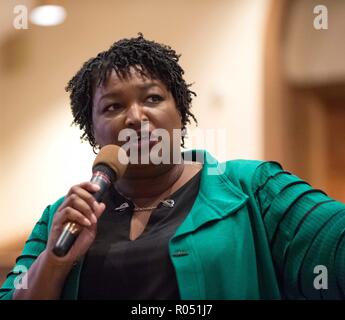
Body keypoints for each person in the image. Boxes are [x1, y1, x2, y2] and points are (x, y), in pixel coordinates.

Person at [1, 34, 344, 300]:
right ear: (92, 132)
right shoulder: (63, 216)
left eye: (152, 98)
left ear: (180, 112)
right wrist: (54, 262)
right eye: (113, 107)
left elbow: (334, 242)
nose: (136, 117)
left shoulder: (253, 189)